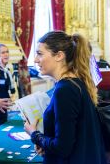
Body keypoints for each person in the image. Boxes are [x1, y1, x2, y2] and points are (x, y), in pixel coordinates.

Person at [24, 31, 106, 164]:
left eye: (40, 53)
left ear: (59, 56)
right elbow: (73, 137)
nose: (35, 59)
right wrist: (45, 145)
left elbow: (62, 148)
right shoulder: (75, 83)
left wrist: (34, 134)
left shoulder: (65, 90)